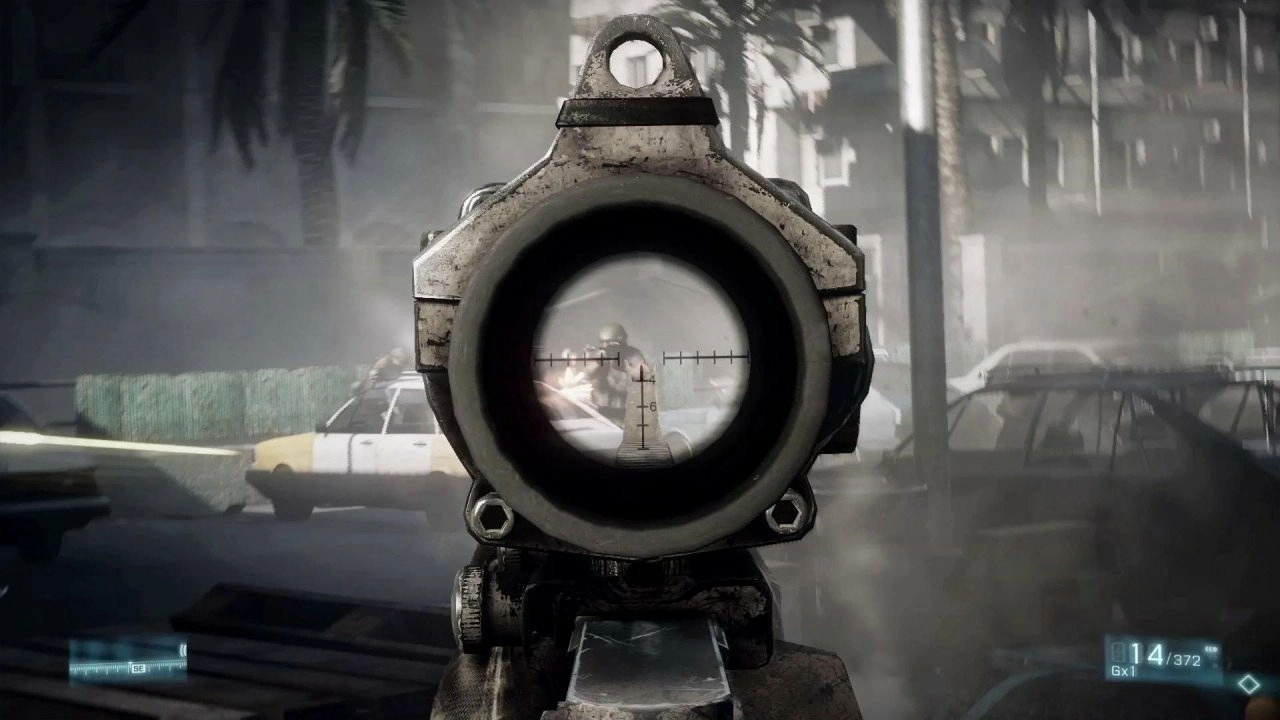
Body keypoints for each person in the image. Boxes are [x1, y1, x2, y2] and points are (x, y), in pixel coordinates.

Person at [584, 323, 647, 424]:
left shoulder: (632, 354)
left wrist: (627, 368)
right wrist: (598, 362)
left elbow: (644, 378)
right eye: (603, 343)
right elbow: (586, 376)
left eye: (610, 343)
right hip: (605, 412)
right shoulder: (601, 356)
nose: (606, 346)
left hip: (629, 411)